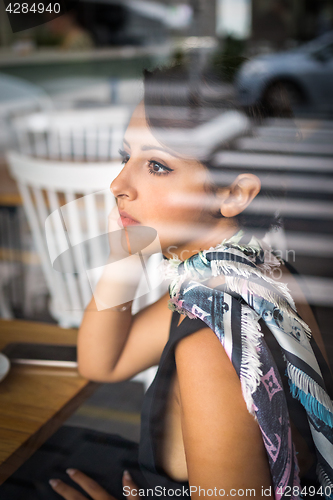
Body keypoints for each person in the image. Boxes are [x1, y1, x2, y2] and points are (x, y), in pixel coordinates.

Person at [12, 65, 333, 500]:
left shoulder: (211, 343)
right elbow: (102, 362)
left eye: (157, 166)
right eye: (126, 157)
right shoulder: (251, 278)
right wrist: (122, 259)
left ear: (233, 195)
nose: (118, 184)